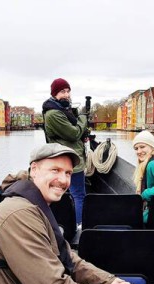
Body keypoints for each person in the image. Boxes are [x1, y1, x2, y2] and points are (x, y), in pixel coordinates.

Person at [0, 143, 142, 284]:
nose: (63, 180)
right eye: (55, 170)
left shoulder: (33, 204)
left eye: (68, 173)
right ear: (34, 170)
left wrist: (110, 283)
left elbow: (67, 258)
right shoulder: (18, 214)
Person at [42, 78, 88, 225]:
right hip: (68, 160)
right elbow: (74, 133)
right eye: (62, 91)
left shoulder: (62, 110)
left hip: (69, 158)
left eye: (68, 91)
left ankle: (68, 223)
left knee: (70, 194)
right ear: (54, 94)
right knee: (78, 195)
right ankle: (79, 226)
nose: (66, 95)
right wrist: (82, 118)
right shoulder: (53, 114)